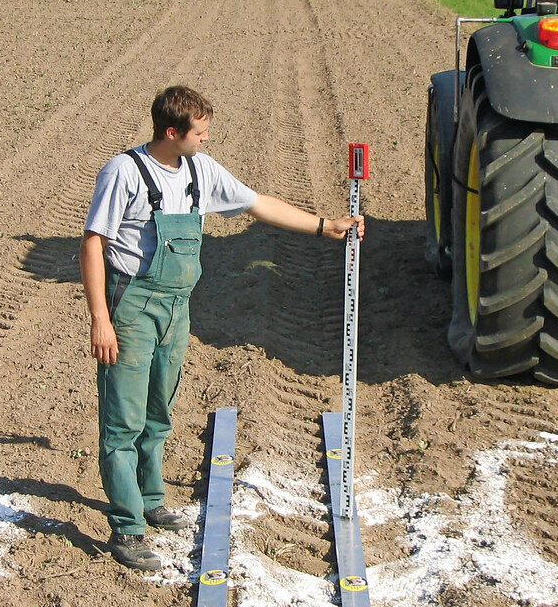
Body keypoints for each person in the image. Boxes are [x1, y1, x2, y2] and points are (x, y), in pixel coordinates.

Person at [81, 85, 365, 571]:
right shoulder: (123, 172)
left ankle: (151, 499)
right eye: (200, 131)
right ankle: (127, 528)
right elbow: (92, 244)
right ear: (173, 133)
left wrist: (325, 226)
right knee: (123, 420)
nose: (207, 138)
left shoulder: (198, 170)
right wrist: (100, 319)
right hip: (131, 306)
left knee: (158, 410)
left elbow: (258, 204)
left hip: (176, 307)